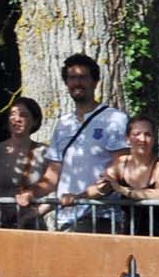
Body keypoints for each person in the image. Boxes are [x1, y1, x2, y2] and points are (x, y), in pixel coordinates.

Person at [39, 52, 130, 232]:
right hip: (65, 218)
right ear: (66, 84)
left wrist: (80, 197)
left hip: (102, 217)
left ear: (95, 82)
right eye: (72, 78)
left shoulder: (114, 119)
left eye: (83, 77)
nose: (77, 83)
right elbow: (52, 176)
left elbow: (118, 170)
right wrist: (29, 195)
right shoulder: (63, 123)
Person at [88, 112, 159, 236]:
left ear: (154, 140)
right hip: (131, 237)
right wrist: (78, 196)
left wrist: (122, 190)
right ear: (127, 139)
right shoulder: (121, 163)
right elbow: (98, 187)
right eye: (136, 134)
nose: (142, 139)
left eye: (148, 134)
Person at [0, 94, 47, 227]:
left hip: (32, 224)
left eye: (23, 115)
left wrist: (34, 214)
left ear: (35, 121)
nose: (17, 119)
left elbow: (56, 190)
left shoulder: (44, 152)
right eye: (13, 114)